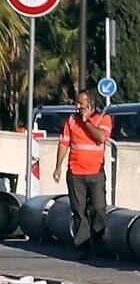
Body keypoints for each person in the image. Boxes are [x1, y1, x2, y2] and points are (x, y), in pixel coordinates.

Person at [53, 88, 112, 254]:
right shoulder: (71, 120)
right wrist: (58, 166)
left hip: (96, 173)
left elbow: (101, 137)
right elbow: (64, 143)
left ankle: (99, 243)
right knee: (79, 210)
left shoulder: (103, 118)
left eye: (81, 103)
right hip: (75, 173)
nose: (78, 107)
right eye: (76, 103)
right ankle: (83, 246)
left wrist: (86, 122)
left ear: (91, 103)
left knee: (99, 208)